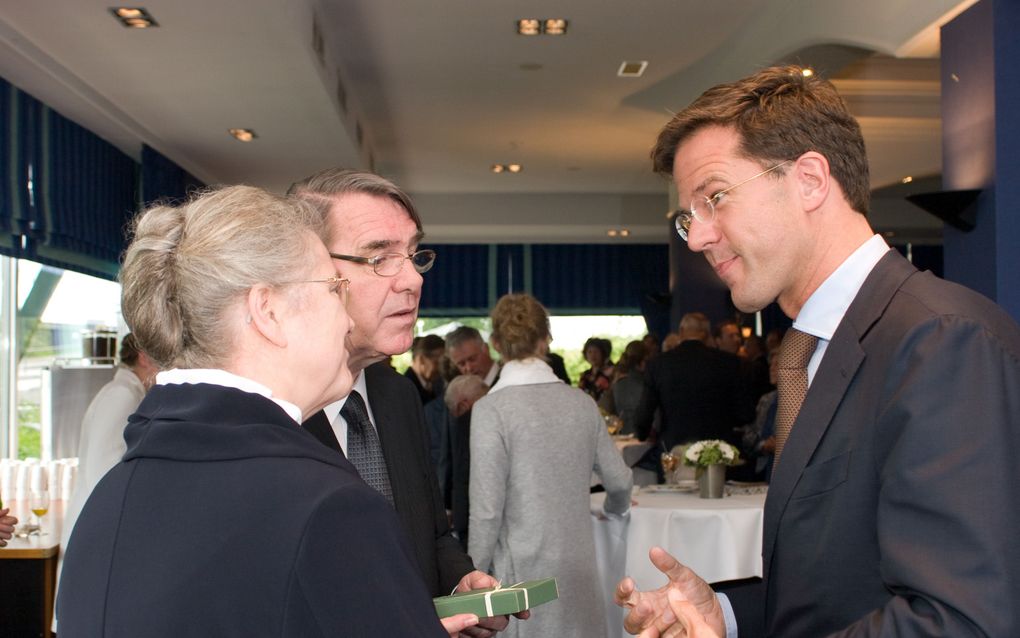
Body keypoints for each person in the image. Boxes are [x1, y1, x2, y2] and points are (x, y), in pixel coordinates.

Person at [616, 65, 1020, 637]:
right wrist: (726, 614)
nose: (699, 237)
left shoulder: (941, 339)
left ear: (809, 180)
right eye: (689, 217)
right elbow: (842, 584)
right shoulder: (814, 350)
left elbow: (960, 620)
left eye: (715, 197)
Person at [56, 186, 477, 636]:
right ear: (268, 312)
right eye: (335, 290)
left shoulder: (109, 499)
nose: (348, 319)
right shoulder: (330, 506)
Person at [289, 169, 518, 636]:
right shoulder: (272, 414)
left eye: (413, 255)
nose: (412, 279)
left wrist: (460, 586)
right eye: (380, 258)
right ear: (307, 272)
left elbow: (430, 532)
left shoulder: (397, 396)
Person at [470, 293, 633, 638]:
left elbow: (486, 510)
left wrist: (472, 575)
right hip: (578, 565)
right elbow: (619, 482)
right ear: (546, 339)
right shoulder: (581, 403)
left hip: (521, 575)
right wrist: (613, 513)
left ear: (496, 344)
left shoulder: (491, 410)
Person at [56, 333, 159, 615]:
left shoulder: (127, 393)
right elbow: (104, 473)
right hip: (95, 536)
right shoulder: (122, 395)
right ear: (144, 357)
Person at [632, 312, 753, 453]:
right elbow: (745, 413)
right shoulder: (729, 363)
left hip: (674, 448)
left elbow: (645, 411)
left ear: (681, 332)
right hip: (718, 450)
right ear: (706, 334)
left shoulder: (659, 364)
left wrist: (642, 434)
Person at [443, 374, 489, 549]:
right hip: (474, 515)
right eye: (484, 397)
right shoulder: (471, 425)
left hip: (464, 513)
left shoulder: (458, 425)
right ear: (464, 405)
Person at [599, 339, 648, 435]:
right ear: (643, 361)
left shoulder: (617, 377)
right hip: (639, 432)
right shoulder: (641, 382)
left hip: (621, 432)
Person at [406, 334, 447, 405]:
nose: (441, 368)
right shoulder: (406, 388)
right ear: (421, 360)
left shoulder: (435, 383)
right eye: (437, 363)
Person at [578, 336, 614, 401]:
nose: (593, 355)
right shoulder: (585, 375)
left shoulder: (611, 372)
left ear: (602, 353)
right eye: (589, 352)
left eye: (596, 352)